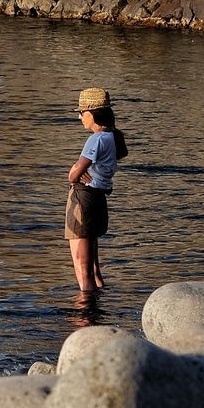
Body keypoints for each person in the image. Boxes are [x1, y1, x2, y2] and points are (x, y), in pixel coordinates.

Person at [66, 87, 128, 291]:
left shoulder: (96, 139)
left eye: (82, 112)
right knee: (94, 266)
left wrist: (75, 171)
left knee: (81, 265)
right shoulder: (112, 137)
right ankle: (100, 307)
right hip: (99, 197)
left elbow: (74, 174)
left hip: (84, 198)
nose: (80, 117)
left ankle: (87, 313)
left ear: (93, 114)